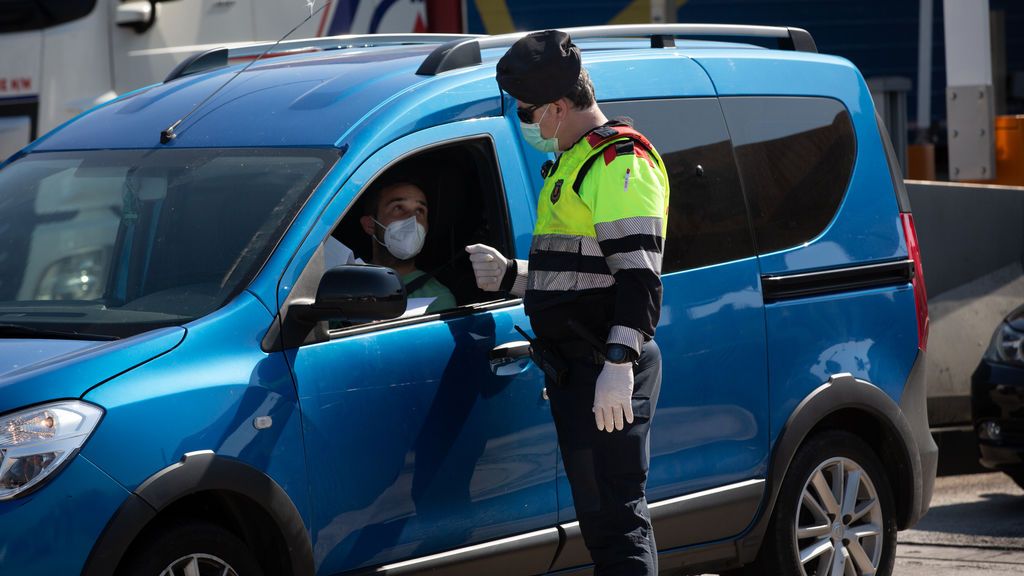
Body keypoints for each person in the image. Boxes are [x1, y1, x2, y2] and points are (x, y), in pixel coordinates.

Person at [465, 30, 670, 575]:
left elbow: (639, 278)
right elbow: (582, 271)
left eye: (528, 111)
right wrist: (512, 276)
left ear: (559, 106)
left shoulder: (618, 162)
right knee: (600, 521)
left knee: (620, 520)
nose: (524, 121)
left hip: (606, 367)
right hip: (578, 370)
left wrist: (619, 363)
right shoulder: (573, 159)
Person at [327, 180, 455, 314]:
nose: (412, 219)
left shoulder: (438, 297)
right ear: (370, 225)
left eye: (420, 210)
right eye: (398, 208)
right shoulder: (344, 284)